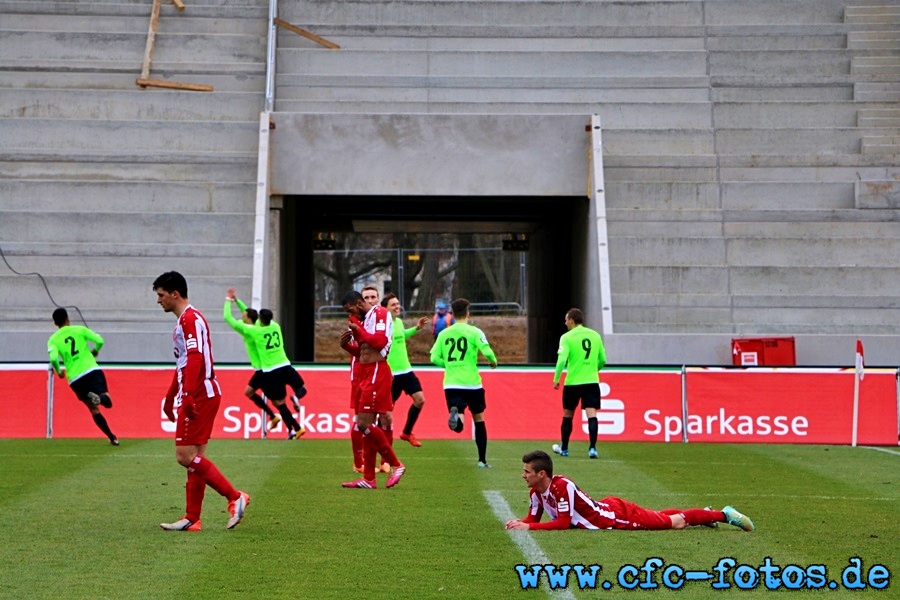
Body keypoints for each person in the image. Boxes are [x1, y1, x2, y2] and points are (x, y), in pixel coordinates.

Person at [153, 271, 249, 531]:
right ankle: (192, 518)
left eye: (161, 295)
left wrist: (187, 395)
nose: (158, 300)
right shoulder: (184, 321)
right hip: (200, 392)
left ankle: (235, 496)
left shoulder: (190, 319)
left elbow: (195, 357)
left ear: (175, 294)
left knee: (185, 456)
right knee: (196, 458)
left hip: (200, 394)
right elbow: (183, 362)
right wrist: (171, 395)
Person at [505, 450, 755, 532]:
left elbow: (561, 522)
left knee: (674, 523)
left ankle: (724, 514)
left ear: (541, 474)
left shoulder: (562, 486)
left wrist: (529, 527)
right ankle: (706, 514)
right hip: (608, 509)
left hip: (614, 517)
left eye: (527, 471)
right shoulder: (536, 492)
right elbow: (534, 519)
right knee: (657, 515)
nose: (523, 475)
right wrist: (520, 522)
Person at [339, 290, 406, 489]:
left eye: (349, 309)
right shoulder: (365, 318)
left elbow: (379, 342)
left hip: (378, 371)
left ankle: (396, 464)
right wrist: (347, 347)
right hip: (365, 372)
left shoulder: (380, 314)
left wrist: (359, 329)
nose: (348, 314)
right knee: (366, 424)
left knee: (363, 423)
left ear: (358, 303)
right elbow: (362, 352)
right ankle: (369, 478)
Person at [430, 298, 497, 468]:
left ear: (452, 314)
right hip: (472, 383)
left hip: (452, 383)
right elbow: (488, 352)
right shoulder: (475, 332)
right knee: (479, 418)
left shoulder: (444, 333)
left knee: (458, 425)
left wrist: (448, 365)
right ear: (468, 313)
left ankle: (456, 416)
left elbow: (433, 357)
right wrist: (493, 362)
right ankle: (482, 460)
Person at [47, 308, 119, 446]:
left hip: (75, 378)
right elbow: (100, 340)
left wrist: (58, 371)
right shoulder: (79, 330)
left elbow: (54, 358)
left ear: (55, 323)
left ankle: (112, 437)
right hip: (91, 369)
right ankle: (100, 398)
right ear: (68, 319)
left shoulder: (53, 340)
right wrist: (95, 351)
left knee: (93, 409)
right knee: (108, 402)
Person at [551, 308, 607, 459]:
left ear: (571, 320)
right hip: (591, 381)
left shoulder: (566, 337)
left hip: (573, 383)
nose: (565, 322)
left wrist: (556, 378)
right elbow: (603, 359)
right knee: (592, 415)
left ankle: (564, 449)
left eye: (566, 320)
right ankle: (593, 449)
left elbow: (562, 359)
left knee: (568, 414)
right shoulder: (595, 336)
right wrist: (593, 370)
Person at [246, 308, 309, 439]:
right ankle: (295, 427)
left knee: (278, 402)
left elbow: (230, 320)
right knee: (301, 389)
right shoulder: (275, 326)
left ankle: (277, 419)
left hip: (265, 370)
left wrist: (229, 301)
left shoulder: (255, 331)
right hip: (285, 365)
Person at [223, 288, 280, 431]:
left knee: (250, 393)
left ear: (247, 318)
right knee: (273, 399)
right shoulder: (258, 325)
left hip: (261, 369)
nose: (242, 315)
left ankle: (278, 418)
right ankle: (289, 425)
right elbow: (249, 312)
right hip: (267, 367)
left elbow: (227, 317)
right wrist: (237, 301)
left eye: (243, 315)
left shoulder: (247, 330)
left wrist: (228, 301)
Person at [381, 293, 429, 447]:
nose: (397, 307)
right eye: (393, 304)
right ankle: (379, 441)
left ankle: (407, 432)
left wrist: (416, 328)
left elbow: (401, 334)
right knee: (386, 413)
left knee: (420, 400)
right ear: (385, 309)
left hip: (406, 371)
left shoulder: (399, 322)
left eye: (398, 304)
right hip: (391, 374)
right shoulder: (383, 326)